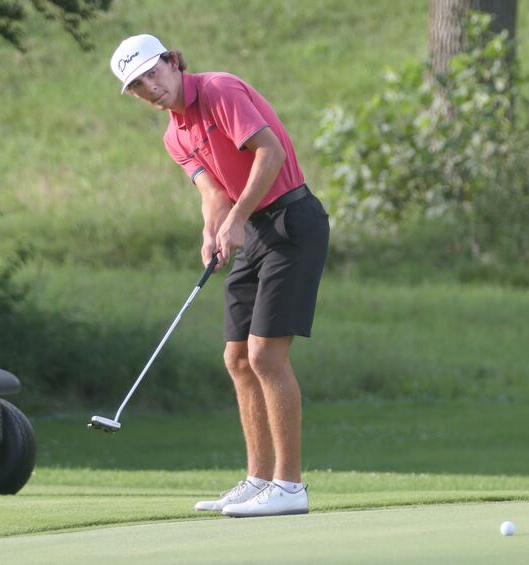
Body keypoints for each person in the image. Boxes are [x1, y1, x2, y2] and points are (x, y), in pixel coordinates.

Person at [110, 34, 329, 517]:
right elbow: (213, 193)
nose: (149, 87)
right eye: (137, 85)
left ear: (172, 62)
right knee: (237, 358)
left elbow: (269, 153)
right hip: (253, 230)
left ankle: (290, 486)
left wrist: (236, 220)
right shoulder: (174, 136)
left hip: (292, 222)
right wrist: (212, 230)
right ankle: (258, 480)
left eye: (152, 73)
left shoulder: (219, 90)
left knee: (265, 354)